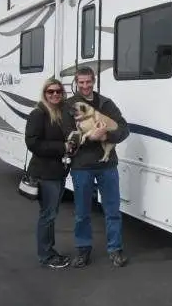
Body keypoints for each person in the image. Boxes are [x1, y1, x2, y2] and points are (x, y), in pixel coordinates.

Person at [63, 66, 130, 268]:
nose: (85, 86)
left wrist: (106, 135)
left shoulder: (106, 104)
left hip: (107, 165)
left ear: (94, 81)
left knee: (112, 210)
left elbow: (124, 129)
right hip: (81, 166)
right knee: (82, 212)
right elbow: (66, 133)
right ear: (76, 82)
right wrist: (90, 138)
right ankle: (83, 250)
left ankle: (115, 250)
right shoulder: (70, 105)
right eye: (81, 82)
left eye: (88, 82)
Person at [24, 78, 71, 269]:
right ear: (44, 94)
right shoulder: (38, 114)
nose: (55, 95)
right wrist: (62, 147)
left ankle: (50, 251)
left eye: (58, 91)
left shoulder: (62, 113)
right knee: (48, 215)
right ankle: (46, 255)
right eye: (50, 92)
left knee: (51, 214)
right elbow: (32, 143)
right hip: (44, 174)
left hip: (58, 172)